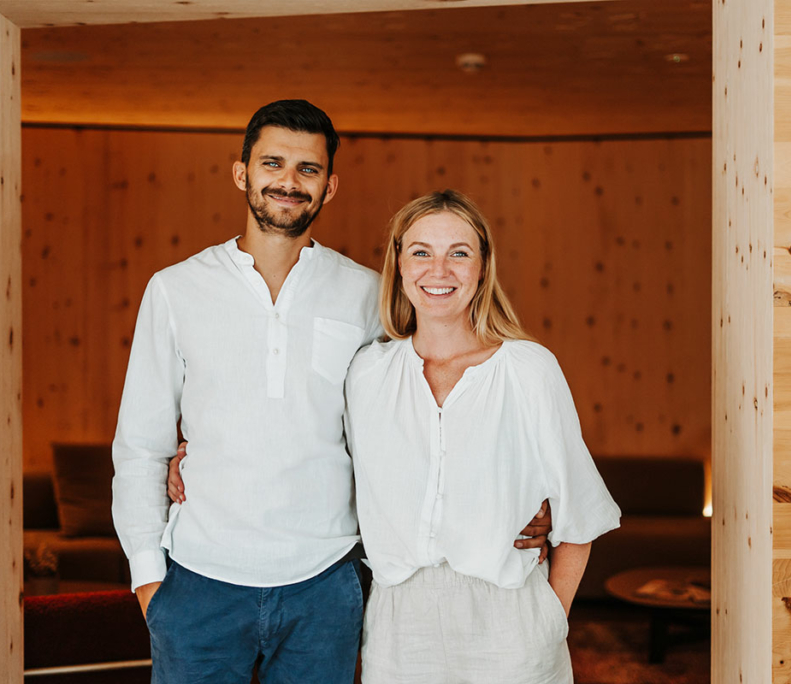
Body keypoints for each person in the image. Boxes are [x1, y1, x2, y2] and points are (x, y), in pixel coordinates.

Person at [113, 100, 550, 684]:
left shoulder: (367, 294)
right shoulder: (174, 291)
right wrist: (149, 581)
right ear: (242, 173)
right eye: (273, 163)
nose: (288, 182)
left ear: (330, 185)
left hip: (325, 588)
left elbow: (422, 422)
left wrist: (516, 501)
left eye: (308, 169)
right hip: (198, 584)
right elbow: (140, 445)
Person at [343, 190, 621, 683]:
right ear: (400, 264)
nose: (440, 270)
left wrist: (549, 620)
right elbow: (317, 456)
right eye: (422, 252)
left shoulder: (528, 370)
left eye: (460, 253)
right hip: (398, 630)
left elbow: (580, 515)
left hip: (510, 628)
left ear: (483, 266)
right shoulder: (368, 374)